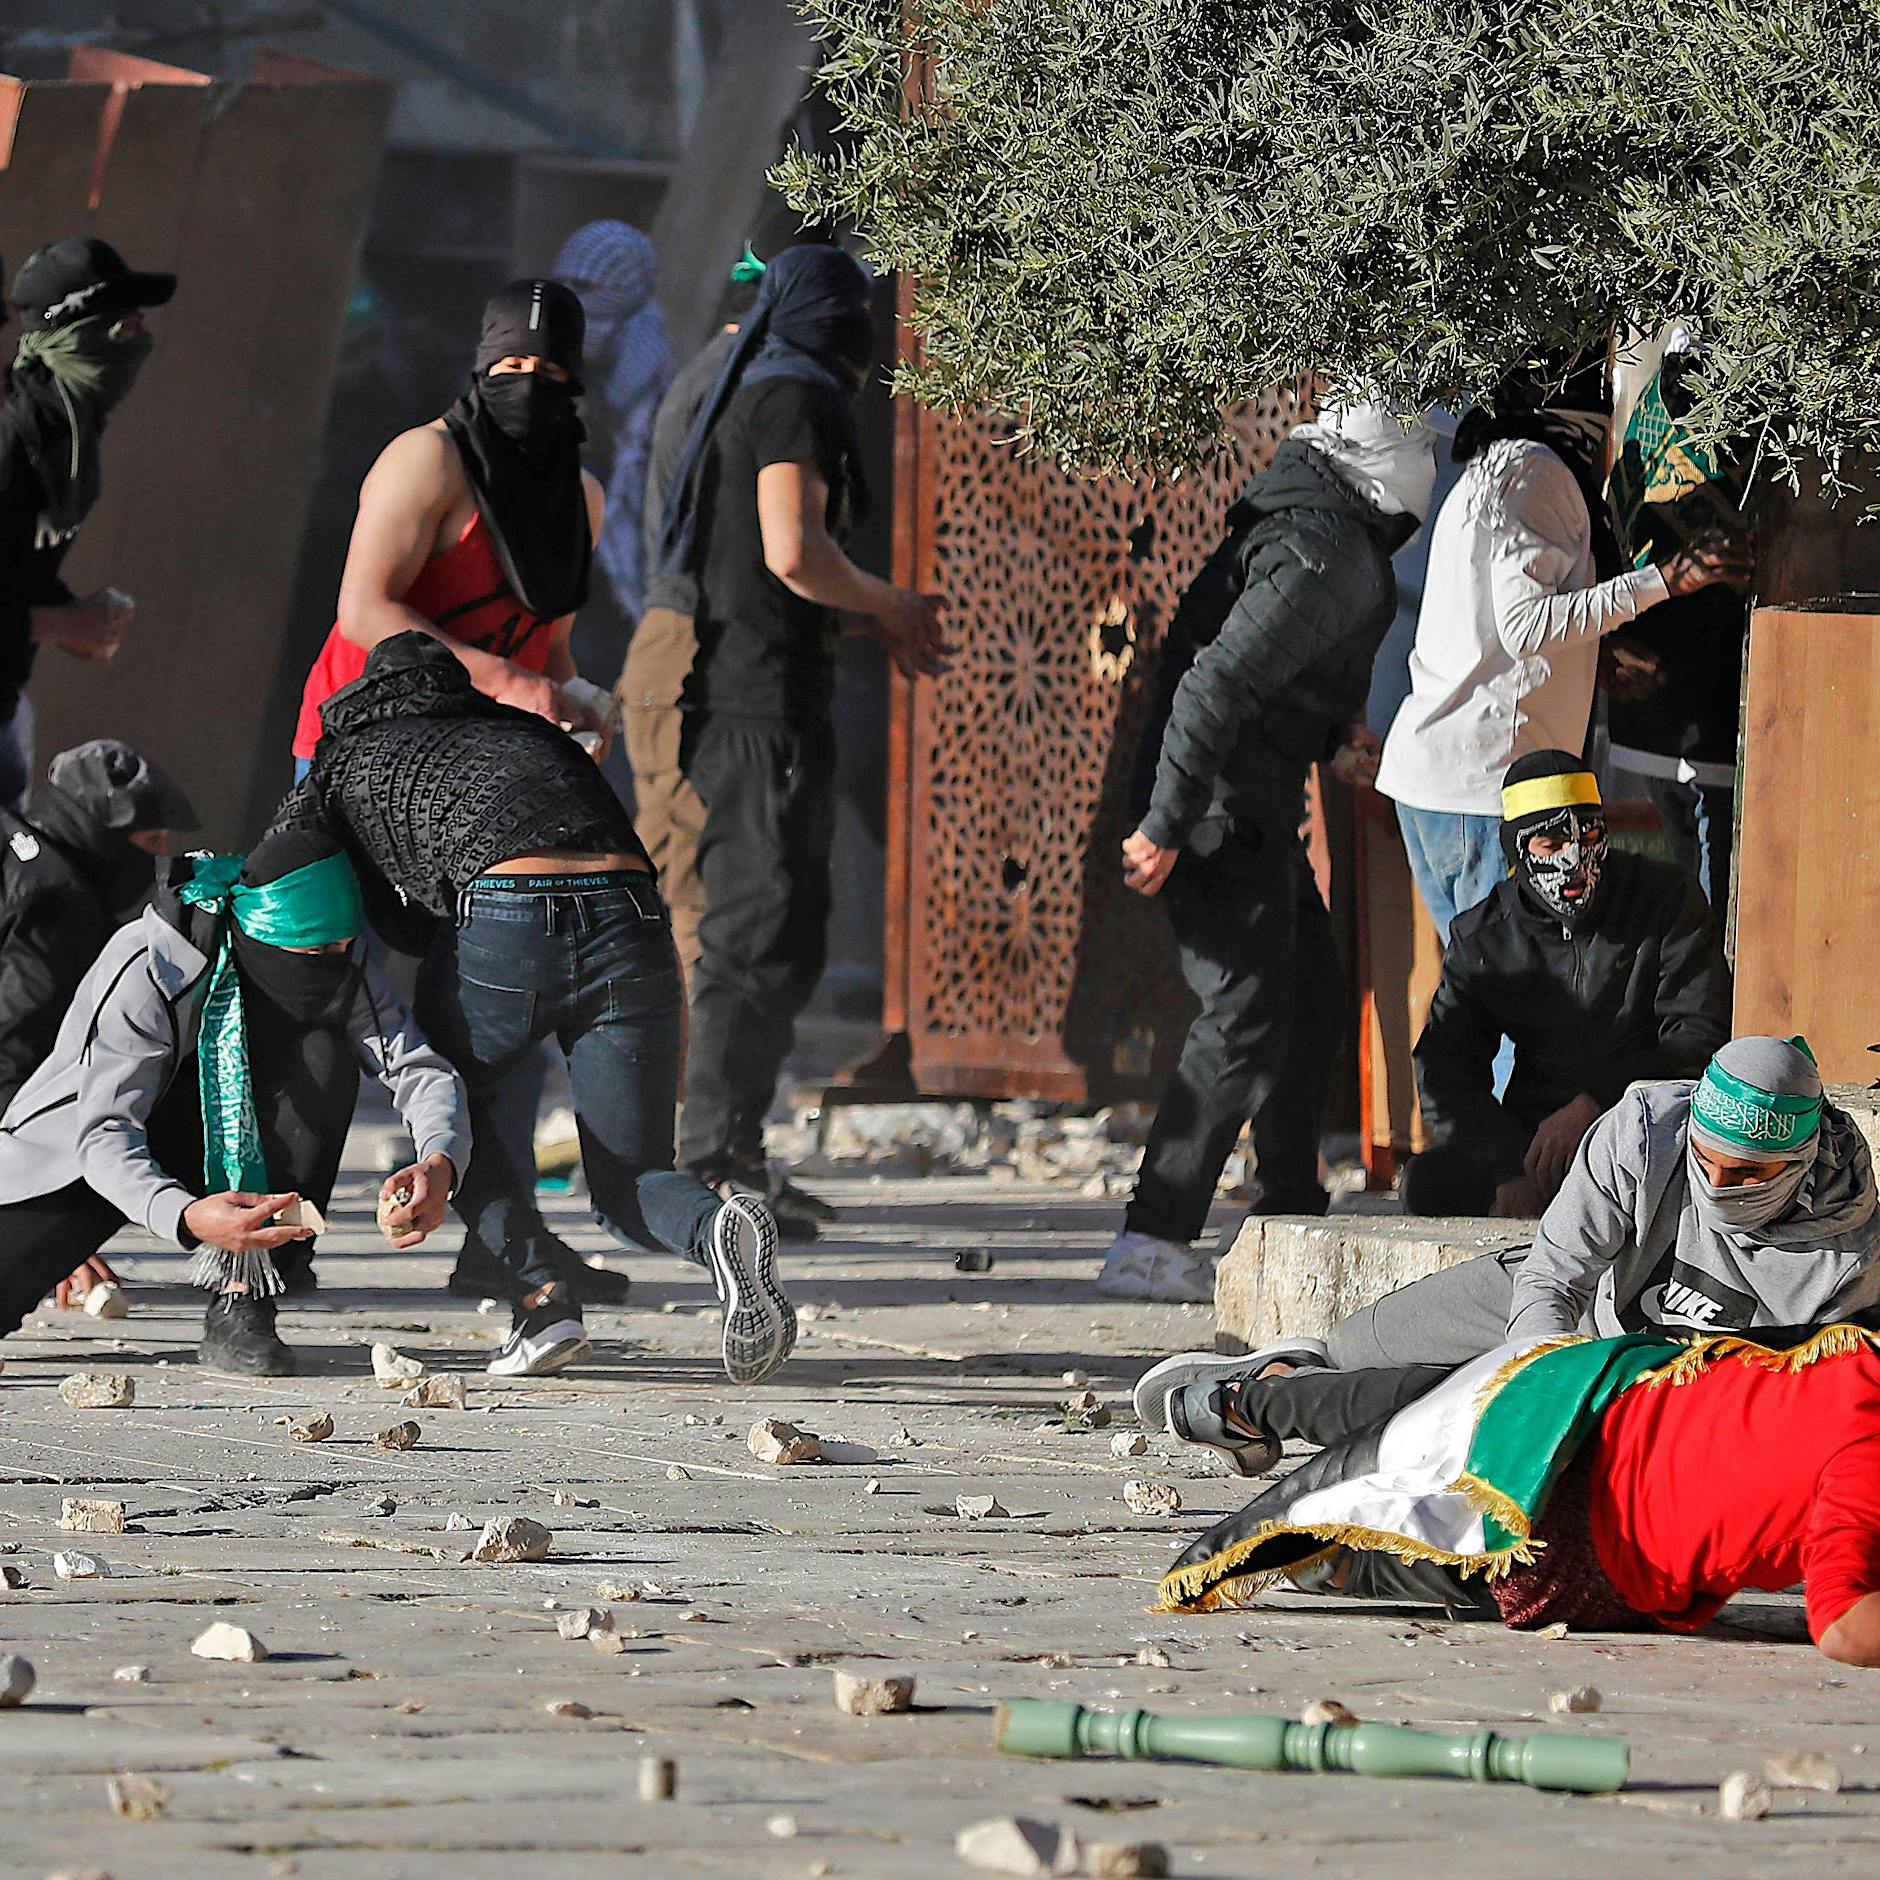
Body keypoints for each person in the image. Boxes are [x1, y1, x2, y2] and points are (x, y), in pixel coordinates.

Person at [276, 631, 796, 1384]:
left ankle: (543, 1300)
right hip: (634, 913)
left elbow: (287, 872)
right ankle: (717, 1227)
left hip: (506, 918)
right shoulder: (522, 731)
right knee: (629, 1182)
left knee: (454, 1118)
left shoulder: (347, 755)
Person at [1138, 1035, 1880, 1469]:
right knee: (1356, 1356)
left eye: (1750, 1174)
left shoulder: (1847, 1259)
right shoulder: (1648, 1131)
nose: (1720, 1185)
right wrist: (1544, 1392)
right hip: (1558, 1313)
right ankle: (1279, 1379)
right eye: (1707, 1162)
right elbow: (1557, 1271)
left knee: (1435, 1435)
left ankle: (1279, 1408)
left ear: (1803, 1160)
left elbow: (1790, 1415)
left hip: (1658, 1412)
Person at [1097, 402, 1440, 1303]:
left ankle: (1288, 1213)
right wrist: (1166, 823)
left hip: (1241, 802)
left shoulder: (1309, 526)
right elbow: (1215, 680)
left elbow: (1269, 677)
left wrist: (1331, 737)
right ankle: (1152, 1237)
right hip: (1216, 809)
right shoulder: (1326, 550)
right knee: (1244, 1017)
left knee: (1311, 999)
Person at [652, 243, 952, 1233]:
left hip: (740, 690)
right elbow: (792, 550)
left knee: (776, 933)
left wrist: (858, 615)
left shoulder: (732, 375)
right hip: (757, 703)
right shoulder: (792, 395)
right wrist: (892, 602)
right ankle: (712, 1167)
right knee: (754, 934)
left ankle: (733, 1153)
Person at [0, 831, 468, 1375]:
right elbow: (104, 1130)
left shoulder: (344, 963)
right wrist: (185, 1216)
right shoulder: (154, 961)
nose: (330, 966)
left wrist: (441, 1160)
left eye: (341, 949)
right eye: (314, 953)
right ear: (259, 932)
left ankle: (243, 1296)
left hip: (236, 1139)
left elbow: (418, 1069)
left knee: (323, 1052)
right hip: (79, 1159)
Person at [1156, 1327, 1880, 1665]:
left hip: (1590, 1395)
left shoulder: (1860, 1360)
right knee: (1384, 1518)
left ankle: (1255, 1401)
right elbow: (1842, 1622)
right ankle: (1288, 1492)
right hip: (1574, 1535)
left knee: (1437, 1407)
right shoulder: (1867, 1460)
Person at [1375, 357, 1753, 940]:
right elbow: (1524, 626)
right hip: (1485, 789)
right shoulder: (1536, 471)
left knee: (1478, 1003)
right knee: (1521, 1004)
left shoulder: (1496, 467)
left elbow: (1491, 627)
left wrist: (1591, 662)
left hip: (1438, 782)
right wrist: (1667, 579)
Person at [291, 278, 613, 777]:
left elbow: (548, 647)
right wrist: (504, 680)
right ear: (484, 367)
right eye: (513, 366)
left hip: (480, 753)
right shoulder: (429, 458)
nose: (529, 384)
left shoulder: (581, 497)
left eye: (549, 370)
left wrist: (577, 700)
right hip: (364, 736)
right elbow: (363, 611)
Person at [1401, 749, 1730, 1218]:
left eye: (1590, 836)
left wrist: (1597, 1102)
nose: (1576, 859)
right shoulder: (1485, 935)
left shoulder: (1665, 898)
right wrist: (1508, 1167)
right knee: (1431, 1184)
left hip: (1647, 1125)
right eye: (1551, 844)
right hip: (1538, 1144)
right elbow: (1443, 1068)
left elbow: (1700, 1037)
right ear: (1518, 850)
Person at [620, 250, 764, 977]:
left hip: (668, 646)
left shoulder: (705, 377)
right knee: (686, 886)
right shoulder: (732, 389)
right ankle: (676, 1084)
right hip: (688, 650)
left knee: (675, 874)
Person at [0, 238, 175, 808]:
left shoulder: (69, 432)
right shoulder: (16, 436)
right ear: (78, 334)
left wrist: (77, 616)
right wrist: (57, 624)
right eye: (123, 326)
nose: (139, 338)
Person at [1605, 330, 1751, 908]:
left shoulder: (1649, 409)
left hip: (1649, 691)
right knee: (1710, 903)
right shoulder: (1728, 415)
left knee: (1693, 892)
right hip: (1704, 702)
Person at [0, 739, 197, 1113]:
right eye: (152, 842)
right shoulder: (59, 906)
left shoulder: (20, 849)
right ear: (103, 837)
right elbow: (12, 1046)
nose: (159, 857)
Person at [552, 220, 673, 655]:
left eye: (588, 285)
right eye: (566, 283)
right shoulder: (548, 364)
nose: (576, 298)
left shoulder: (650, 371)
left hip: (632, 577)